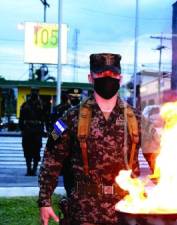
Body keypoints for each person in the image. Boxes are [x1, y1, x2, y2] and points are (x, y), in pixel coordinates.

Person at [38, 53, 141, 225]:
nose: (107, 79)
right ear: (90, 78)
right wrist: (45, 200)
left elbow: (160, 156)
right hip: (84, 211)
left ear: (120, 78)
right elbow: (51, 159)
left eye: (113, 75)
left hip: (128, 209)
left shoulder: (136, 119)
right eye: (101, 75)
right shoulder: (69, 118)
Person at [51, 88, 82, 197]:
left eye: (77, 97)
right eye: (73, 97)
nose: (76, 99)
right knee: (68, 173)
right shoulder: (63, 111)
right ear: (69, 97)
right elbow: (55, 132)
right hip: (67, 147)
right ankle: (70, 195)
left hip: (82, 147)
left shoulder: (87, 110)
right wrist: (53, 141)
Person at [19, 88, 45, 176]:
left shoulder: (42, 105)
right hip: (27, 131)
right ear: (31, 93)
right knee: (27, 150)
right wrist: (22, 129)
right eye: (33, 91)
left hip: (37, 131)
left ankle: (34, 169)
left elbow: (45, 119)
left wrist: (44, 131)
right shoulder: (25, 105)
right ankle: (28, 168)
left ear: (38, 93)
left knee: (37, 151)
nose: (34, 93)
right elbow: (21, 119)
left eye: (36, 91)